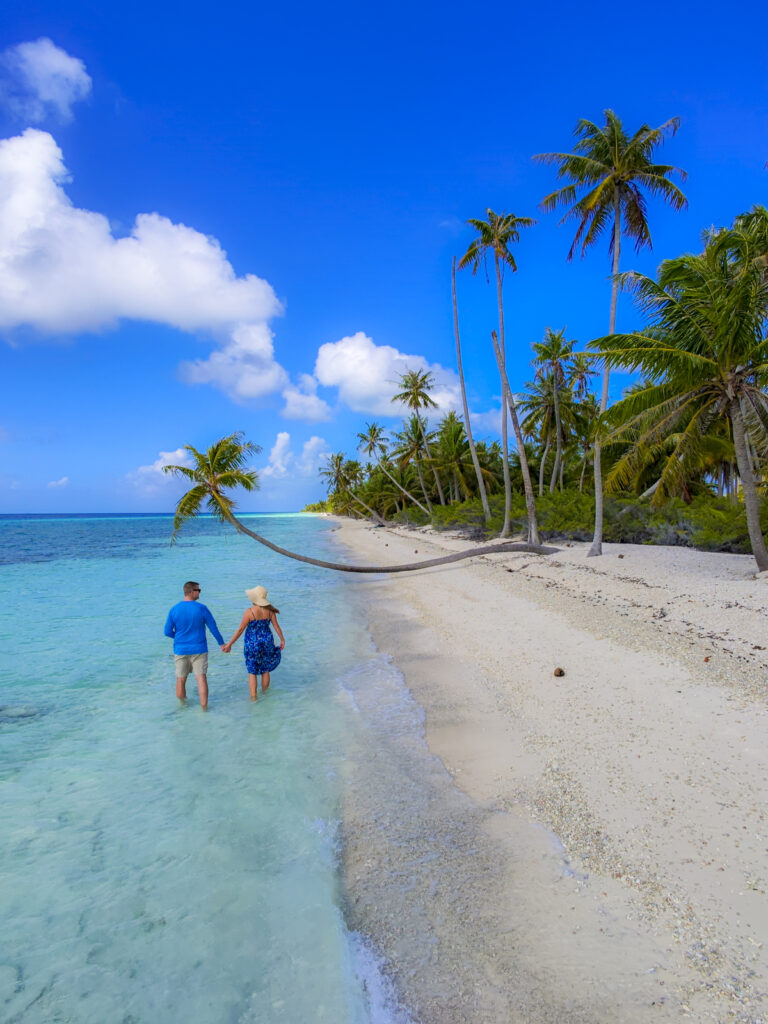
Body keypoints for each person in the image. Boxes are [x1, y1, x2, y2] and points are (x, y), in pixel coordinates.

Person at [164, 581, 227, 708]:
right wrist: (222, 644)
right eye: (198, 590)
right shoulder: (202, 608)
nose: (200, 592)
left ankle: (182, 707)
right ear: (192, 591)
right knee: (201, 679)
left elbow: (167, 632)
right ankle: (204, 708)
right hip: (199, 649)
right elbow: (213, 628)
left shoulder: (174, 609)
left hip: (181, 649)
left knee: (181, 680)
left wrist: (179, 638)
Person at [223, 586, 285, 700]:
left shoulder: (250, 611)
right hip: (267, 641)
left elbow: (240, 630)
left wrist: (229, 644)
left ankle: (253, 698)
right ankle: (265, 695)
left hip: (252, 643)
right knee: (265, 668)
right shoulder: (270, 611)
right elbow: (276, 626)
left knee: (252, 670)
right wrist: (282, 639)